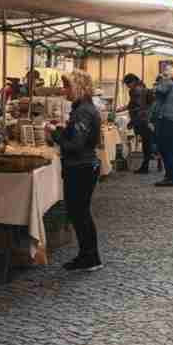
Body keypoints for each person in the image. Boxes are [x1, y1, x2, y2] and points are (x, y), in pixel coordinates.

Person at [46, 71, 104, 272]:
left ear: (78, 87)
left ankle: (90, 257)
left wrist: (55, 134)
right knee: (80, 213)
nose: (64, 90)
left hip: (81, 167)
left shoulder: (83, 111)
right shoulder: (83, 108)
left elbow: (75, 145)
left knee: (80, 213)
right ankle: (88, 255)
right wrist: (64, 129)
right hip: (83, 166)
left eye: (67, 86)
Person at [120, 73, 155, 174]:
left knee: (146, 143)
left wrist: (132, 121)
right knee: (147, 143)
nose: (127, 87)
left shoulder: (136, 90)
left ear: (132, 82)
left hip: (142, 119)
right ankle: (145, 165)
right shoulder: (142, 87)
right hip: (146, 118)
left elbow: (138, 107)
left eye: (127, 84)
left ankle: (145, 167)